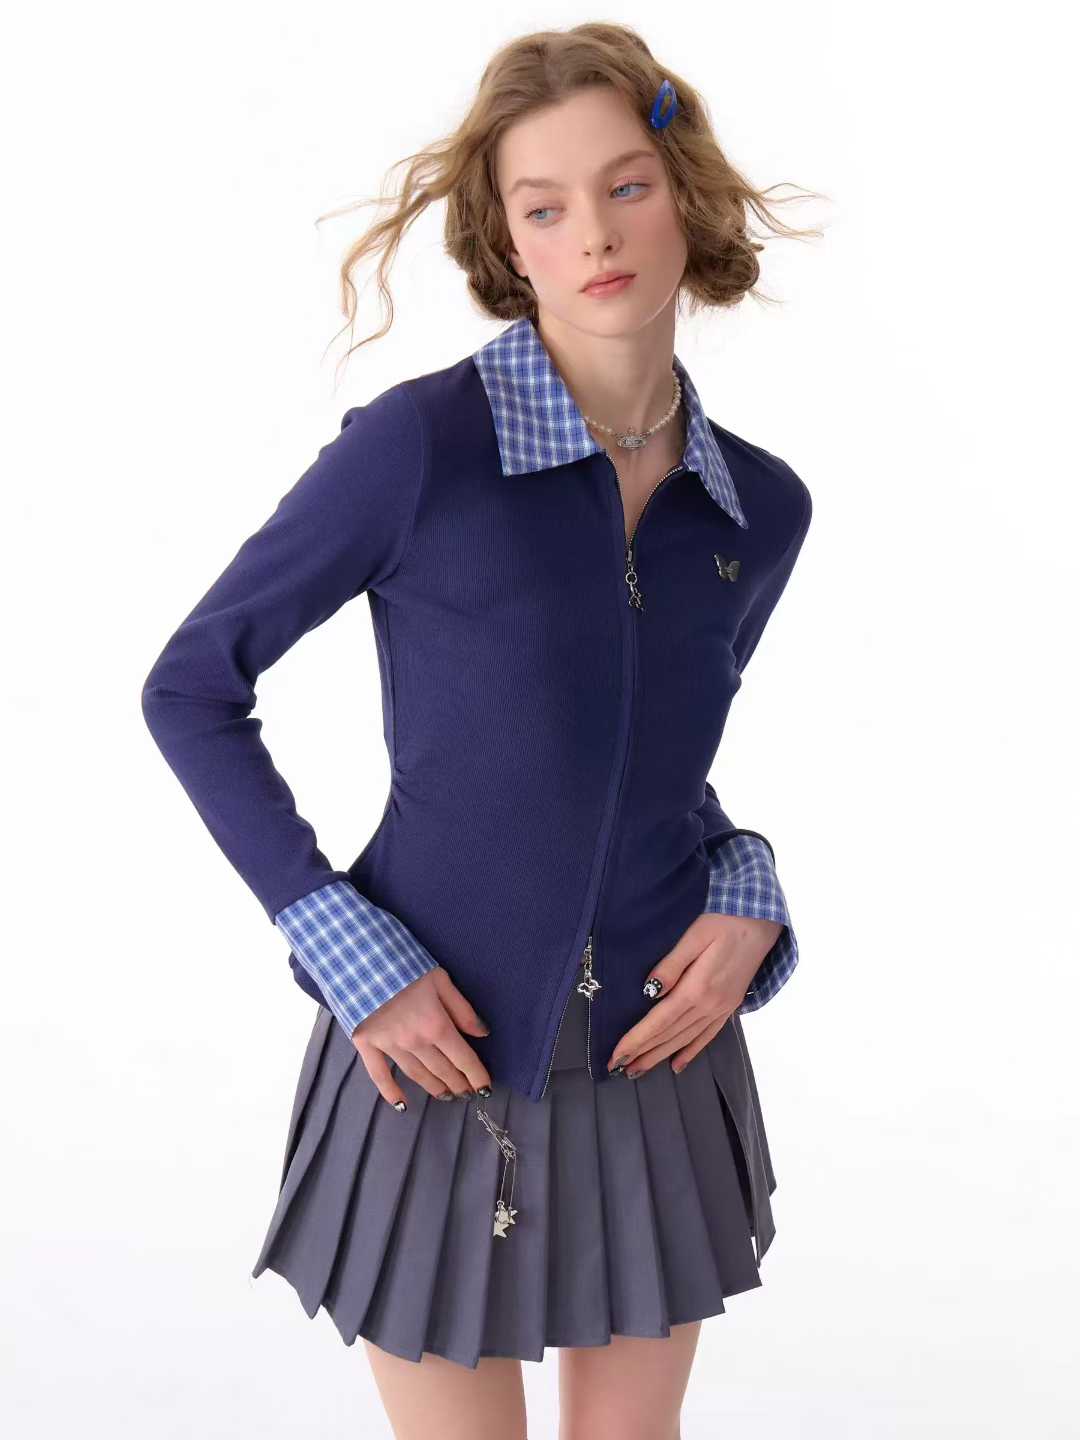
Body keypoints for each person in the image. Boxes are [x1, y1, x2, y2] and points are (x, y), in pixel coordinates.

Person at [140, 22, 822, 1440]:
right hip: (433, 1049)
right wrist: (346, 946)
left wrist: (748, 886)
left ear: (686, 196)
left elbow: (652, 770)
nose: (596, 234)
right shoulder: (422, 449)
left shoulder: (759, 506)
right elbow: (191, 688)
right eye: (545, 206)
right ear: (507, 241)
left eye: (627, 186)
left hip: (660, 1056)